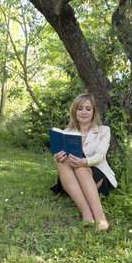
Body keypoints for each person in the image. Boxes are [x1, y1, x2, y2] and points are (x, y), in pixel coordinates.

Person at [50, 93, 117, 230]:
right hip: (71, 179)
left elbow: (99, 156)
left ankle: (100, 216)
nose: (84, 112)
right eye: (80, 108)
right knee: (62, 163)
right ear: (74, 111)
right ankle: (86, 212)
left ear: (94, 112)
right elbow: (60, 155)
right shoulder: (67, 131)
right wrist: (58, 157)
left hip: (96, 175)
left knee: (80, 168)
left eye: (88, 109)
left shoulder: (103, 131)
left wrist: (84, 162)